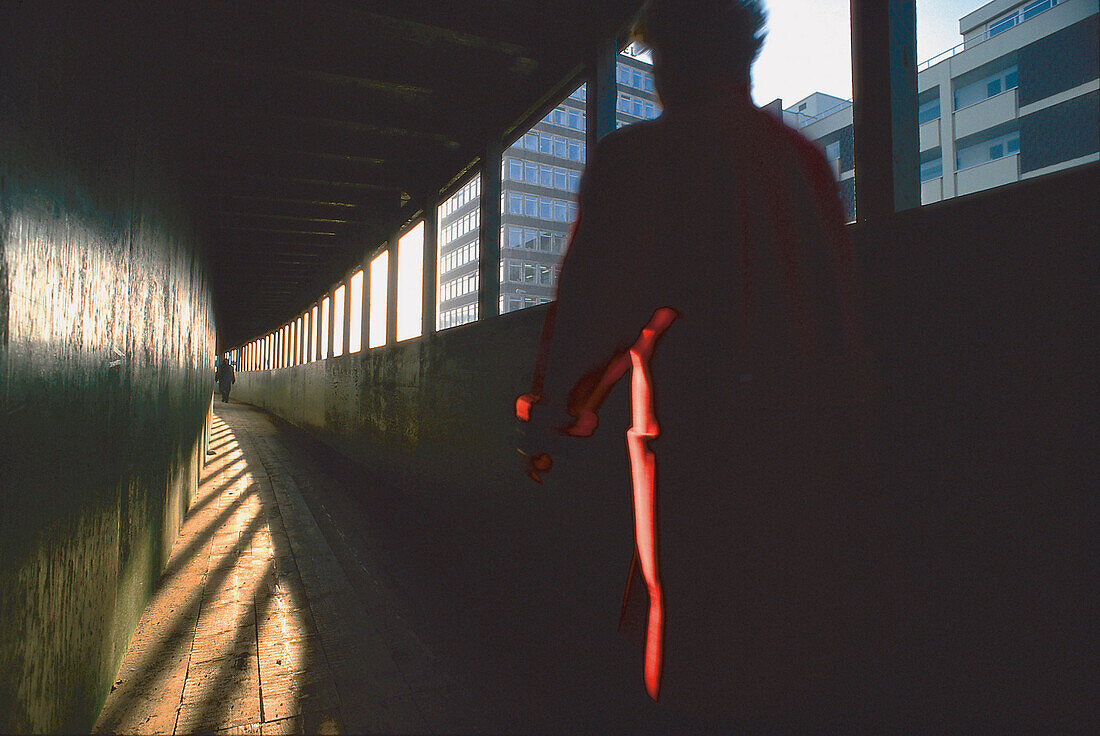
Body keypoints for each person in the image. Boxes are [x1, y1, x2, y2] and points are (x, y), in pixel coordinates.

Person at [516, 0, 873, 728]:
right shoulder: (803, 161)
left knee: (692, 656)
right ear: (746, 50)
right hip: (812, 460)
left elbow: (595, 311)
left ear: (666, 56)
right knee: (786, 657)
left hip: (700, 456)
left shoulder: (641, 159)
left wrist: (555, 416)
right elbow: (844, 318)